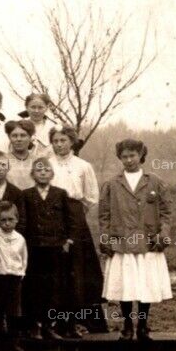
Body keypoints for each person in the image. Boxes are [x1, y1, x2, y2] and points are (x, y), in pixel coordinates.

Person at [98, 138, 172, 346]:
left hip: (148, 243)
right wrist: (105, 239)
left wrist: (163, 234)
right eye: (124, 156)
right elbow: (103, 215)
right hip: (122, 242)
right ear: (119, 158)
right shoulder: (112, 184)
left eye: (133, 155)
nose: (129, 160)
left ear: (141, 155)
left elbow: (166, 212)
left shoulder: (155, 182)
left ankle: (142, 325)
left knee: (145, 284)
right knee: (126, 284)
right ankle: (127, 327)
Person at [47, 126, 106, 334]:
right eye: (55, 140)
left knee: (79, 267)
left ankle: (79, 319)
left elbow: (91, 196)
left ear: (72, 142)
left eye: (63, 140)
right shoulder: (47, 165)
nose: (59, 144)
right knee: (57, 267)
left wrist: (76, 214)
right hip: (52, 217)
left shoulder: (83, 166)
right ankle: (54, 320)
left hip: (75, 216)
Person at [20, 156, 75, 341]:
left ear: (52, 173)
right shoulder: (26, 195)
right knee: (33, 287)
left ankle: (48, 326)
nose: (43, 173)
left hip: (55, 248)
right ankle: (33, 325)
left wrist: (67, 240)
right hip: (34, 248)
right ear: (32, 174)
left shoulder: (60, 193)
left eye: (46, 170)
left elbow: (69, 220)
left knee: (53, 288)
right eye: (39, 170)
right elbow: (23, 221)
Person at [0, 202, 31, 351]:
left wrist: (20, 273)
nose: (7, 223)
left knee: (14, 312)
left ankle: (15, 345)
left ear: (17, 219)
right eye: (3, 220)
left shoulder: (20, 238)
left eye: (10, 219)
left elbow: (23, 258)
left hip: (14, 279)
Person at [3, 120, 47, 189]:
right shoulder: (2, 160)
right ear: (9, 137)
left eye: (23, 135)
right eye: (14, 136)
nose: (19, 139)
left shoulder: (38, 161)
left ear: (30, 137)